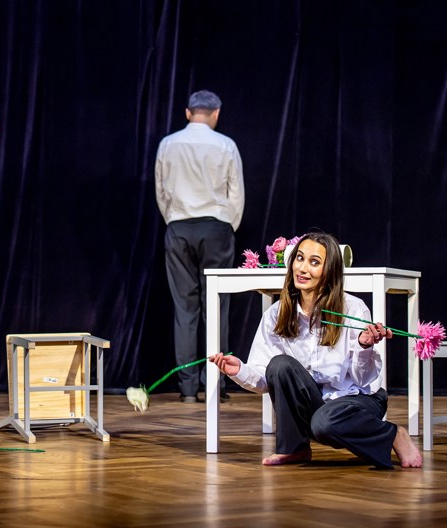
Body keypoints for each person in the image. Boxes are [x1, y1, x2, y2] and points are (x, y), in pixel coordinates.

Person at [210, 232, 422, 469]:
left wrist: (364, 346)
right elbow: (268, 377)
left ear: (329, 271)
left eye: (314, 262)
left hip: (356, 400)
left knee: (324, 423)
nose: (302, 268)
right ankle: (294, 448)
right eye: (300, 258)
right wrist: (239, 370)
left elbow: (364, 381)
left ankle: (393, 434)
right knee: (280, 365)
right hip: (316, 404)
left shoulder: (353, 309)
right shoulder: (276, 314)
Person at [155, 90, 245, 402]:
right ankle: (215, 385)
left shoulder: (168, 144)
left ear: (187, 112)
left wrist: (174, 219)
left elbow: (161, 190)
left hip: (179, 227)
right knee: (217, 306)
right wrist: (228, 225)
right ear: (216, 113)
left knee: (185, 308)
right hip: (216, 227)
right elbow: (236, 192)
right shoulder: (226, 144)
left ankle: (188, 388)